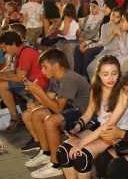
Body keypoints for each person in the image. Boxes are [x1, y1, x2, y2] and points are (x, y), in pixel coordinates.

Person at [22, 48, 90, 178]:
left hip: (83, 113)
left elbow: (57, 108)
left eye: (44, 67)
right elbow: (49, 99)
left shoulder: (69, 78)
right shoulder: (55, 77)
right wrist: (35, 99)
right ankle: (46, 153)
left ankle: (56, 164)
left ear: (56, 65)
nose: (42, 71)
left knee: (50, 121)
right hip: (71, 108)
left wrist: (38, 91)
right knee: (35, 114)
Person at [0, 31, 48, 132]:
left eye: (5, 47)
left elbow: (19, 78)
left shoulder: (26, 52)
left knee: (1, 85)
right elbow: (15, 71)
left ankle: (14, 117)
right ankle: (15, 115)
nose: (3, 50)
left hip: (38, 84)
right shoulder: (20, 52)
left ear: (13, 44)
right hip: (30, 81)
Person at [76, 7, 122, 79]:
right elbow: (103, 43)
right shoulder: (104, 26)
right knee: (90, 68)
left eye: (117, 17)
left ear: (120, 19)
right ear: (110, 14)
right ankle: (93, 86)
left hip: (117, 51)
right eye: (113, 15)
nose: (114, 18)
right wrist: (113, 34)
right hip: (106, 51)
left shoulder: (121, 27)